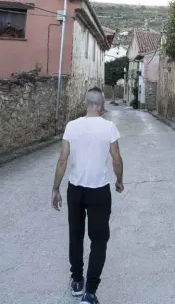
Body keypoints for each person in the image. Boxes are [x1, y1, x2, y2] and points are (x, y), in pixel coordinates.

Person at [52, 87, 124, 304]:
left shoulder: (71, 127)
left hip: (75, 189)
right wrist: (119, 180)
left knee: (76, 234)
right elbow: (117, 159)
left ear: (85, 103)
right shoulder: (109, 127)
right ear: (102, 106)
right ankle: (90, 293)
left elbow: (62, 159)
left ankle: (76, 281)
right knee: (99, 239)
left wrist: (55, 188)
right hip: (100, 190)